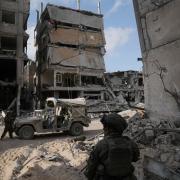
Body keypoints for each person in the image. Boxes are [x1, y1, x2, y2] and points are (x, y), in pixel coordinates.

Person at [84, 113, 140, 180]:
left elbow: (90, 169)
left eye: (104, 127)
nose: (103, 129)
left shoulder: (101, 145)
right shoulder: (131, 143)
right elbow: (135, 158)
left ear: (107, 129)